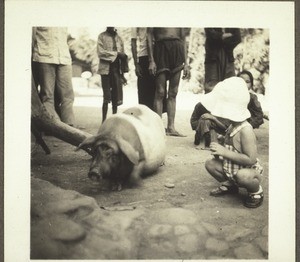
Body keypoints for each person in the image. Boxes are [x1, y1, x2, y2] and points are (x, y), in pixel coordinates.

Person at [204, 77, 264, 208]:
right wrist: (220, 144)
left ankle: (256, 192)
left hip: (247, 172)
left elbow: (251, 159)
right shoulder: (232, 126)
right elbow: (231, 146)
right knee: (210, 164)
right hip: (231, 169)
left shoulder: (246, 130)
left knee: (243, 176)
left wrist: (224, 152)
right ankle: (230, 185)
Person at [190, 72, 264, 146]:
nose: (243, 84)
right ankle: (207, 137)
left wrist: (245, 129)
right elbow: (197, 113)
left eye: (247, 82)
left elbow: (258, 117)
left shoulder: (251, 98)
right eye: (240, 81)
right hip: (220, 126)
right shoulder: (224, 95)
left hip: (238, 126)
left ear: (251, 85)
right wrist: (202, 124)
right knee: (206, 122)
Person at [147, 27, 191, 136]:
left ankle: (171, 128)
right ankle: (158, 128)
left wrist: (186, 63)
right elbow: (149, 36)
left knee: (173, 92)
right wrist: (151, 60)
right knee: (160, 92)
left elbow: (184, 39)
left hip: (177, 50)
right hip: (161, 49)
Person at [32, 27, 75, 126]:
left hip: (64, 57)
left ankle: (69, 126)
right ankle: (52, 126)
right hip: (44, 56)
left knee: (68, 95)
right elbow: (32, 37)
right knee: (47, 95)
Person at [97, 27, 128, 123]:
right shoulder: (102, 36)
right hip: (105, 70)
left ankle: (113, 121)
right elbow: (100, 53)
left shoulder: (119, 38)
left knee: (116, 97)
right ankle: (104, 121)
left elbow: (123, 56)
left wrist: (123, 74)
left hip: (116, 71)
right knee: (106, 97)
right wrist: (117, 54)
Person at [204, 28, 241, 93]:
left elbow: (237, 38)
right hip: (212, 56)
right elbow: (210, 34)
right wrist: (224, 36)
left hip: (228, 56)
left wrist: (219, 38)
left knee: (230, 86)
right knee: (211, 87)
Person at [131, 27, 156, 110]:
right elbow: (133, 42)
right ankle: (144, 119)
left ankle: (156, 120)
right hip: (143, 57)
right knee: (143, 94)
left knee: (158, 93)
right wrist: (136, 64)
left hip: (158, 54)